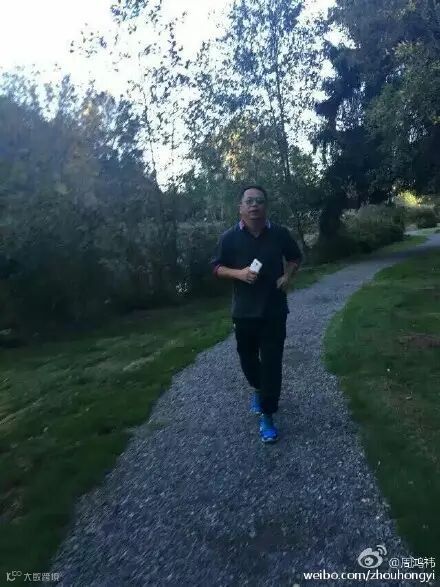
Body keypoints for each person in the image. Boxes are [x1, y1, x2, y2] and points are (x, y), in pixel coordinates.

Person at [211, 185, 302, 443]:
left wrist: (288, 275)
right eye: (249, 201)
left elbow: (295, 257)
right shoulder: (229, 238)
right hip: (244, 312)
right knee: (248, 360)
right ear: (240, 207)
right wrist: (239, 273)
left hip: (274, 310)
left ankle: (267, 415)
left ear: (266, 206)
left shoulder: (279, 234)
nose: (254, 205)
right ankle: (258, 388)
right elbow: (216, 267)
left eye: (259, 201)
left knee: (272, 364)